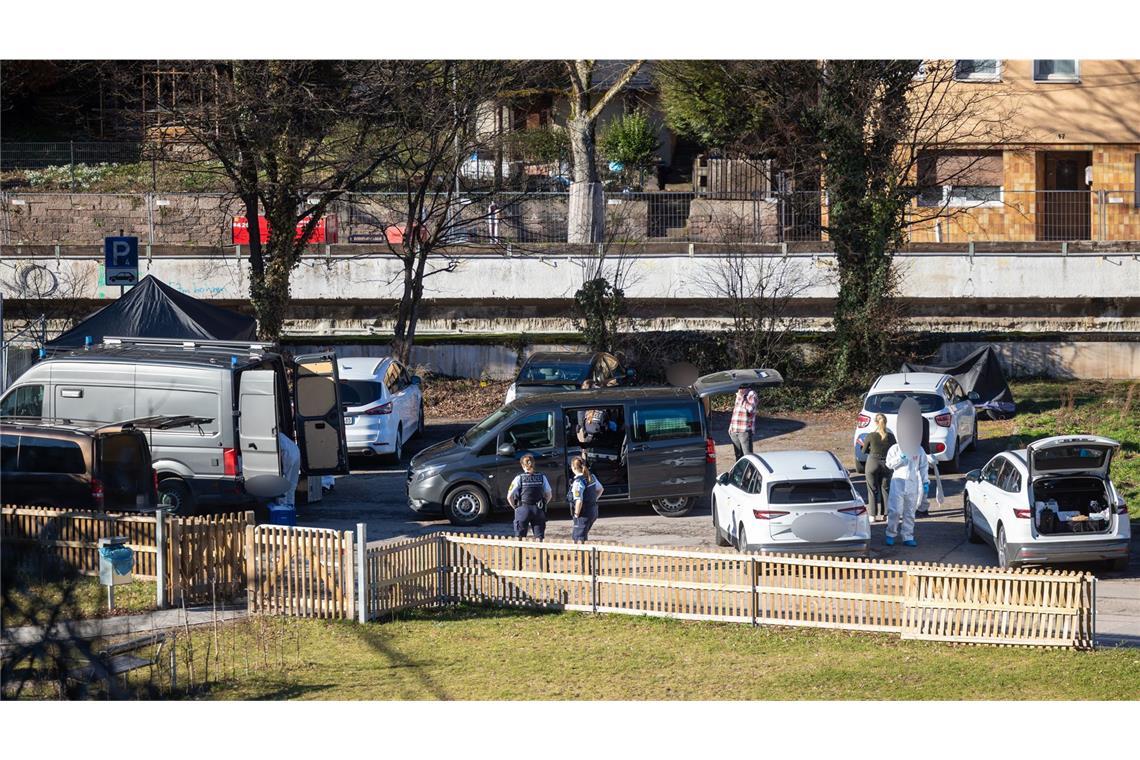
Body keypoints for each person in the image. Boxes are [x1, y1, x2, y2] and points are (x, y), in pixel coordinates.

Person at [883, 398, 942, 547]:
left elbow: (922, 467)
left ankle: (907, 536)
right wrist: (901, 458)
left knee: (910, 512)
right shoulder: (895, 449)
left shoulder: (919, 449)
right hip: (898, 482)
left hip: (913, 483)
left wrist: (926, 482)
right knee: (895, 511)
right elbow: (889, 464)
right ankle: (891, 533)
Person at [506, 453, 552, 541]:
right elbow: (549, 494)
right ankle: (541, 554)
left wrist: (515, 507)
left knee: (519, 537)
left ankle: (519, 554)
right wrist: (543, 503)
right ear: (533, 464)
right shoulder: (542, 477)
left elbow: (509, 496)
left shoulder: (519, 478)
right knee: (539, 537)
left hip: (523, 508)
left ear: (522, 465)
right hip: (538, 509)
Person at [859, 413, 895, 522]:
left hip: (872, 463)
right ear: (886, 423)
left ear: (875, 423)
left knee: (872, 490)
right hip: (887, 464)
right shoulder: (891, 436)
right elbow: (895, 450)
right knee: (886, 489)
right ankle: (887, 515)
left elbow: (863, 451)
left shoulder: (871, 435)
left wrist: (872, 450)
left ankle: (872, 516)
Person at [569, 456, 604, 543]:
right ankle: (582, 554)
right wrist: (593, 499)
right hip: (593, 510)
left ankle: (581, 555)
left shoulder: (578, 482)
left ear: (573, 467)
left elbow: (579, 501)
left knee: (578, 537)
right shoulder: (591, 476)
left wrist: (576, 515)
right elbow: (600, 489)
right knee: (581, 535)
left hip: (583, 513)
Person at [728, 384, 759, 460]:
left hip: (744, 431)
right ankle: (739, 472)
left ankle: (752, 472)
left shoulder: (751, 394)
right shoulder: (739, 394)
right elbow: (736, 412)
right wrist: (730, 427)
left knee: (748, 457)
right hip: (734, 430)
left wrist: (741, 397)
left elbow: (750, 408)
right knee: (738, 456)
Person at [274, 431, 302, 509]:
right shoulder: (280, 435)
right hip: (296, 452)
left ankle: (282, 507)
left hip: (289, 455)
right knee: (292, 484)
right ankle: (290, 506)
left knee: (285, 483)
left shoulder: (272, 436)